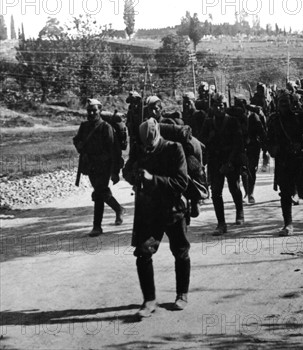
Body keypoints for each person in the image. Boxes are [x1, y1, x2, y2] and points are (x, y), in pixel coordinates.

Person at [124, 118, 190, 317]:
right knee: (143, 253)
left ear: (158, 136)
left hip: (172, 210)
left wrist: (153, 179)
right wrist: (133, 175)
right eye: (145, 146)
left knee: (180, 251)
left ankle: (182, 294)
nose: (148, 149)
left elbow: (181, 183)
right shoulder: (140, 149)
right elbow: (126, 170)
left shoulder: (174, 149)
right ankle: (149, 300)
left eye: (151, 145)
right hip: (149, 211)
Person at [266, 91, 303, 236]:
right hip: (283, 161)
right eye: (280, 102)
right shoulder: (274, 120)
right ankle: (288, 224)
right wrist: (272, 149)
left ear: (291, 103)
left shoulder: (300, 118)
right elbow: (268, 140)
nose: (283, 105)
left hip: (301, 159)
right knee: (285, 193)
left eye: (286, 102)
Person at [73, 99, 125, 237]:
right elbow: (76, 139)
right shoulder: (84, 126)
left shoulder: (105, 127)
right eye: (89, 110)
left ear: (100, 111)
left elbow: (114, 150)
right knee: (100, 191)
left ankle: (97, 226)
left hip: (104, 166)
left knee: (99, 193)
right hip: (90, 166)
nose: (91, 113)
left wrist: (115, 171)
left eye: (94, 110)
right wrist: (80, 146)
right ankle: (118, 208)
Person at [199, 93, 245, 235]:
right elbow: (201, 142)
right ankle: (221, 223)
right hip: (215, 161)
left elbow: (238, 144)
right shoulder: (208, 122)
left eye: (222, 105)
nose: (219, 108)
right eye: (216, 105)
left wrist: (230, 162)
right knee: (216, 193)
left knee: (234, 188)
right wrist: (209, 139)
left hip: (231, 159)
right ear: (212, 106)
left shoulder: (233, 121)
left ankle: (240, 211)